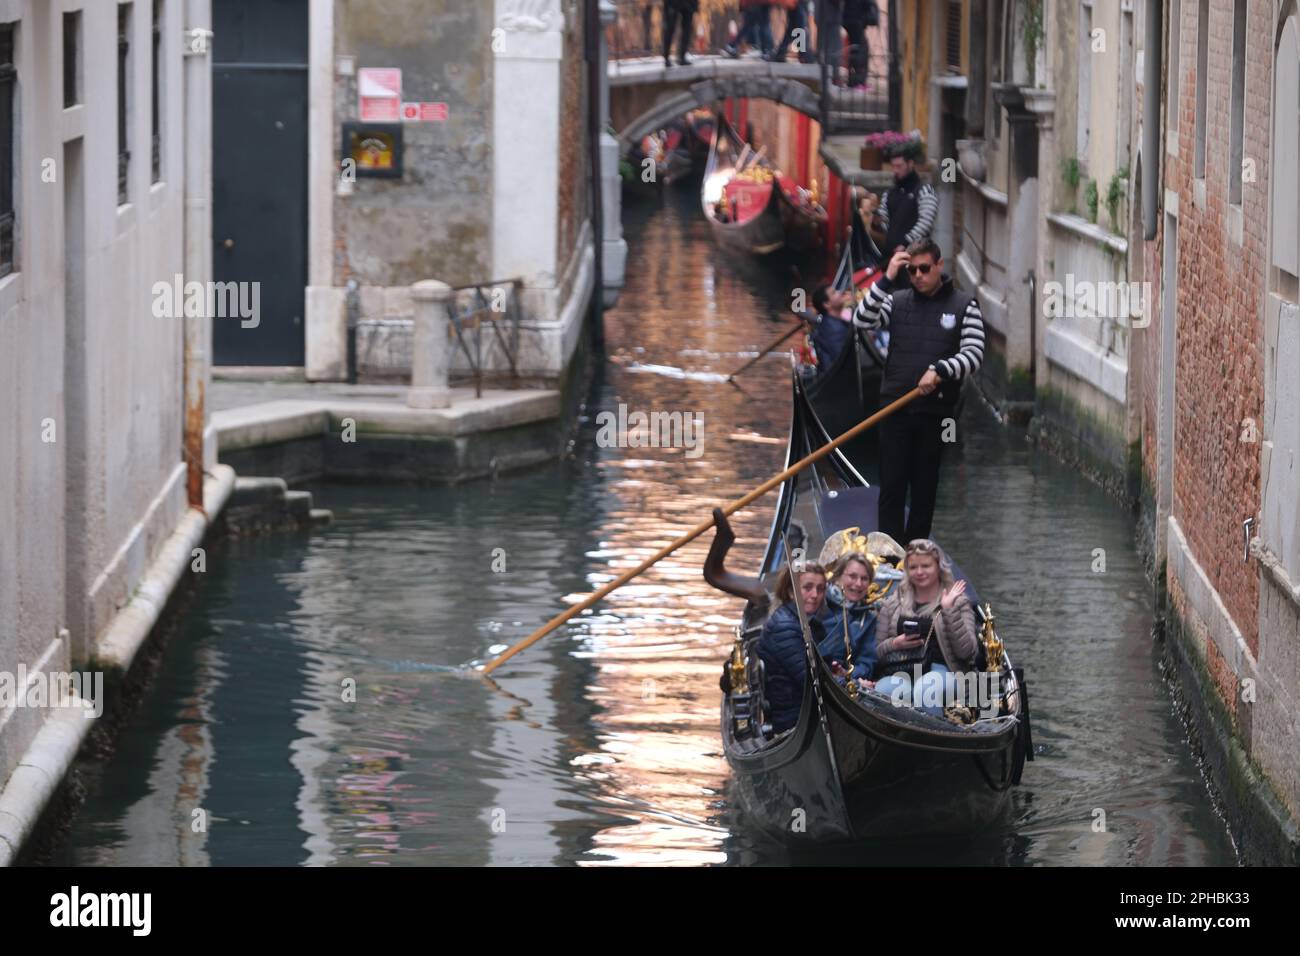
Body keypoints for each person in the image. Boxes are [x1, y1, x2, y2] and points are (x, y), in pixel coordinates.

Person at [852, 239, 985, 543]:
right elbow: (862, 319)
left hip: (934, 413)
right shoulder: (897, 301)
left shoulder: (964, 306)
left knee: (924, 488)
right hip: (894, 409)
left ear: (939, 265)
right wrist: (886, 278)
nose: (918, 276)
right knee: (891, 489)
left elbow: (974, 355)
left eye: (924, 269)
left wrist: (940, 370)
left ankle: (916, 557)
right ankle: (889, 554)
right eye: (911, 271)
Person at [872, 538, 977, 716]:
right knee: (883, 690)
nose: (919, 572)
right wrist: (895, 644)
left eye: (926, 566)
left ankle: (935, 737)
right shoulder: (893, 603)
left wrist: (949, 610)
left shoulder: (959, 601)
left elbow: (967, 653)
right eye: (913, 567)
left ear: (938, 567)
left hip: (946, 672)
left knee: (925, 689)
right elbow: (876, 653)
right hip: (902, 670)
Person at [757, 561, 828, 734]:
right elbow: (810, 680)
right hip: (793, 718)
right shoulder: (785, 627)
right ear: (791, 592)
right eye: (808, 588)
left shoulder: (809, 623)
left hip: (807, 709)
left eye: (820, 589)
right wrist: (852, 684)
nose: (815, 595)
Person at [859, 150, 938, 267]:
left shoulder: (925, 191)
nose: (895, 171)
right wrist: (877, 223)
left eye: (899, 166)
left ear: (910, 164)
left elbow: (926, 222)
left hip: (915, 259)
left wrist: (906, 244)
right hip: (890, 258)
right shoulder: (890, 192)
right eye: (893, 166)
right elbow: (885, 222)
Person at [807, 284, 854, 369]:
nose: (839, 293)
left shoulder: (833, 323)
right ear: (827, 304)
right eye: (834, 293)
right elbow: (843, 360)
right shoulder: (833, 329)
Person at [842, 0, 879, 89]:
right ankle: (859, 81)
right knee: (861, 50)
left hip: (849, 19)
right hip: (856, 20)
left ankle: (852, 81)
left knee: (854, 50)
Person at [662, 0, 697, 67]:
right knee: (670, 29)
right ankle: (666, 58)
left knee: (687, 30)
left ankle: (682, 57)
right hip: (672, 3)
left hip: (689, 3)